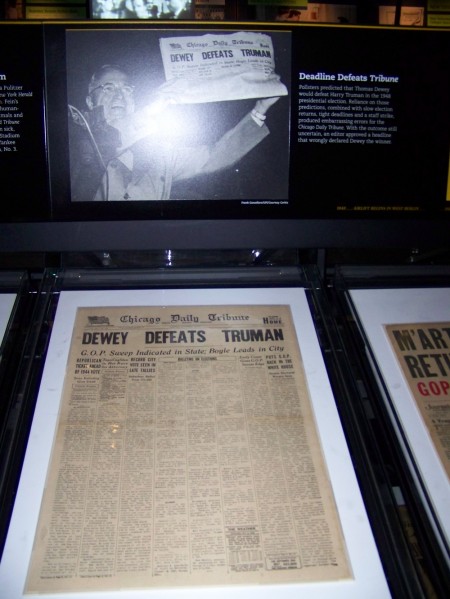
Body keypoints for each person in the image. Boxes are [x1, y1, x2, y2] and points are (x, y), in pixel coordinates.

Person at [68, 64, 280, 202]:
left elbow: (212, 157)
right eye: (108, 88)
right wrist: (148, 112)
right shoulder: (72, 135)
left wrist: (260, 109)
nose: (119, 95)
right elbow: (102, 144)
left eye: (126, 89)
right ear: (89, 101)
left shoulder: (159, 151)